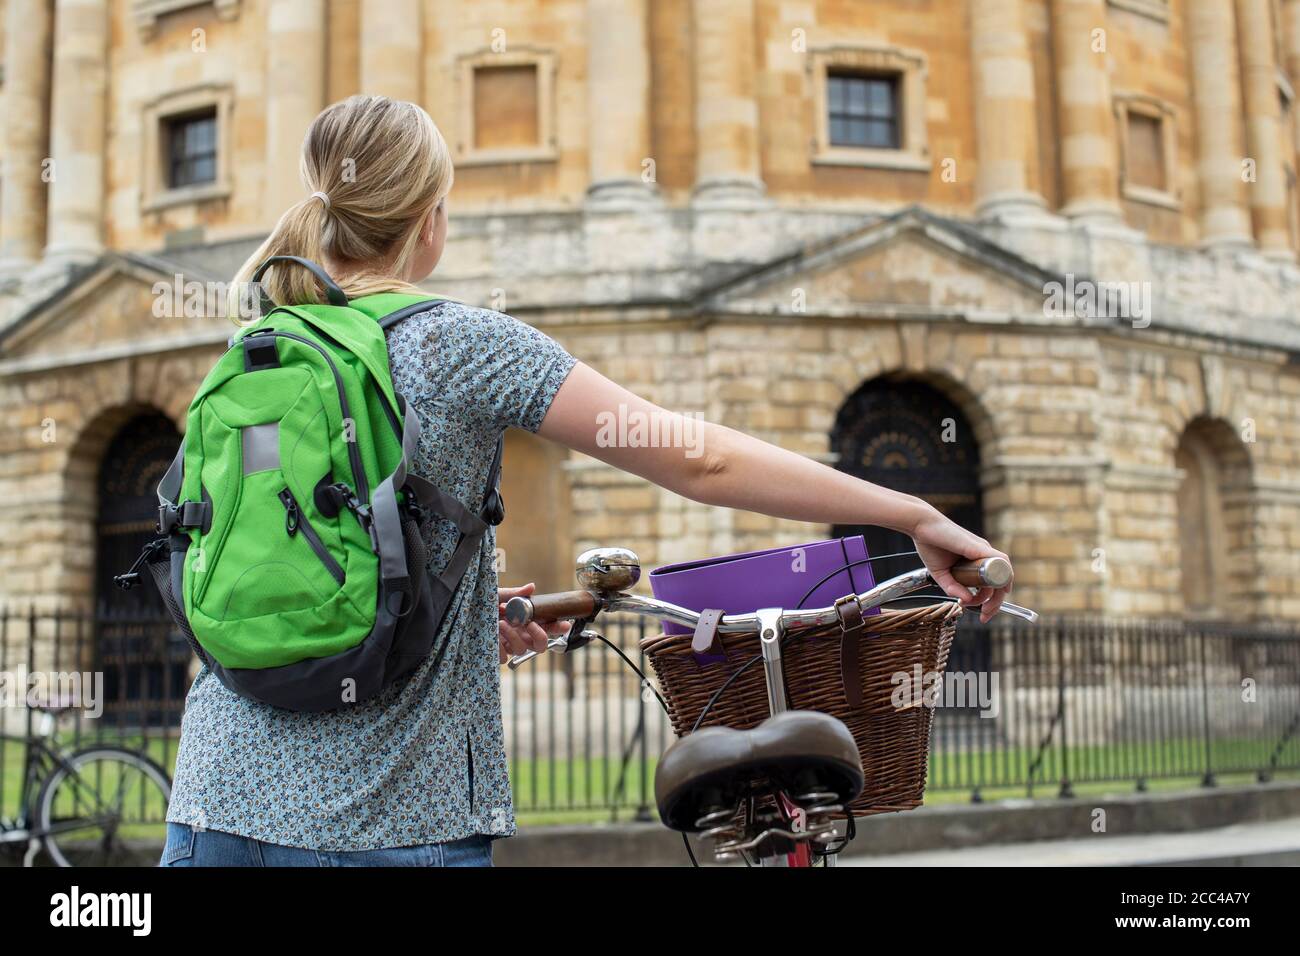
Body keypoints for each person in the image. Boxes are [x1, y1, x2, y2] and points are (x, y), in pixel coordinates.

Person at [160, 95, 1012, 868]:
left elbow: (260, 551)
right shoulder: (463, 342)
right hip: (384, 821)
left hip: (212, 801)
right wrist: (910, 513)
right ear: (430, 220)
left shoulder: (257, 346)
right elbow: (694, 458)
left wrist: (450, 621)